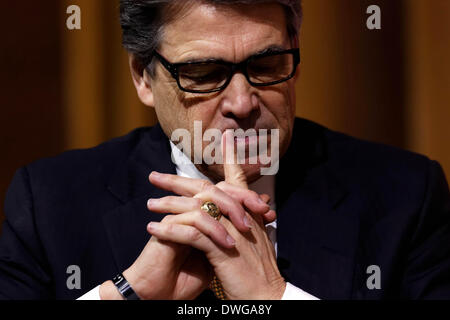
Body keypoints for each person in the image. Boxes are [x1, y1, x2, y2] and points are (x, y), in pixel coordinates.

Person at [1, 0, 450, 300]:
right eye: (204, 72)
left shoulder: (405, 195)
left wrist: (273, 297)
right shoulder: (50, 201)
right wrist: (126, 292)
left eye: (267, 64)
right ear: (143, 77)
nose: (242, 103)